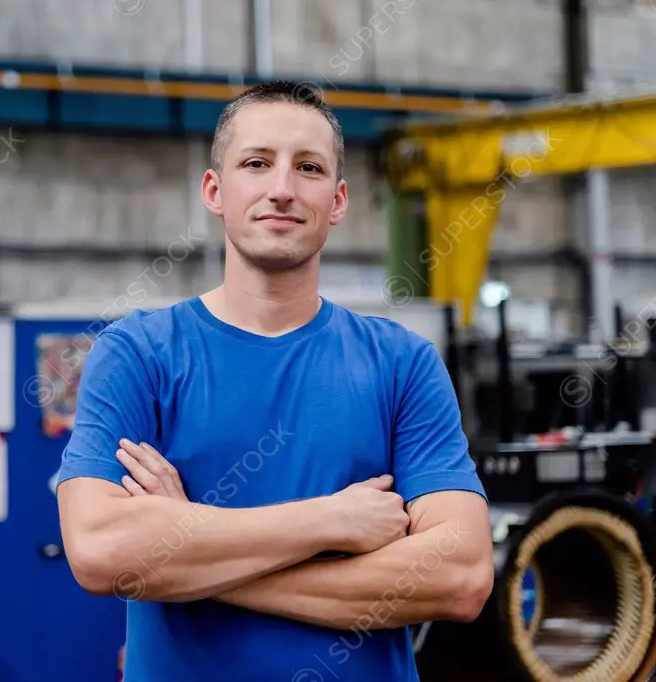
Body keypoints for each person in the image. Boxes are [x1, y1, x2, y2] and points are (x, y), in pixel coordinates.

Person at [55, 80, 494, 682]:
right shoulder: (137, 355)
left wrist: (188, 550)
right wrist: (331, 522)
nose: (282, 189)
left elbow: (461, 576)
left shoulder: (403, 364)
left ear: (338, 201)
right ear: (216, 190)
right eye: (257, 163)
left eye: (308, 168)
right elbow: (102, 553)